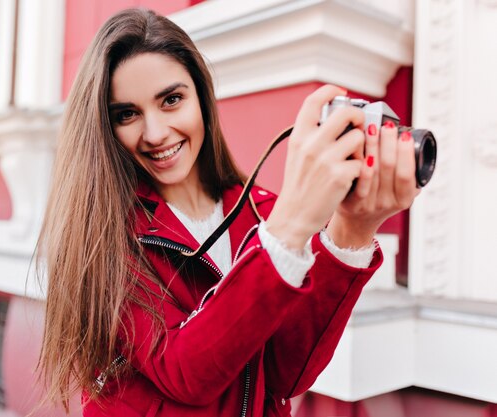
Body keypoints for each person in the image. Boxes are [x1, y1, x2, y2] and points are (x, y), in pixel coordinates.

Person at [35, 8, 420, 417]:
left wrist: (352, 230)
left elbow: (286, 374)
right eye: (127, 114)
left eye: (171, 100)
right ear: (104, 127)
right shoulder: (105, 233)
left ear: (201, 97)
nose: (155, 133)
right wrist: (289, 229)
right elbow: (184, 370)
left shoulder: (262, 212)